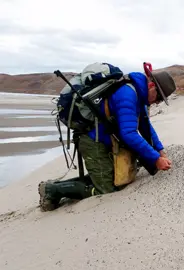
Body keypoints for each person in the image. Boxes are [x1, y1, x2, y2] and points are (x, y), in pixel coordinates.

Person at [38, 69, 176, 211]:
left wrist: (160, 151)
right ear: (151, 86)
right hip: (93, 139)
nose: (157, 102)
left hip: (105, 138)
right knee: (105, 189)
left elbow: (145, 126)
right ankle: (52, 190)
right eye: (159, 98)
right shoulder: (128, 94)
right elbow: (129, 133)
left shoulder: (139, 95)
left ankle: (58, 187)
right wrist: (156, 159)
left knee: (108, 176)